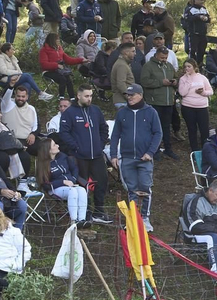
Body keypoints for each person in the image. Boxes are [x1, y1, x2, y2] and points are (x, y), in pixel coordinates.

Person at [110, 84, 163, 228]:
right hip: (127, 157)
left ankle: (145, 218)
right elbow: (115, 135)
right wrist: (114, 155)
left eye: (132, 95)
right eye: (127, 95)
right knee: (131, 189)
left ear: (140, 94)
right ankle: (134, 218)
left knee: (145, 187)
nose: (129, 97)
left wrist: (150, 152)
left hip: (144, 158)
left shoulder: (151, 112)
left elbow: (158, 133)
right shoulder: (122, 113)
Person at [57, 84, 111, 223]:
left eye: (91, 96)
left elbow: (103, 128)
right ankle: (85, 213)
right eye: (86, 96)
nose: (89, 99)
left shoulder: (95, 110)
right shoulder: (70, 112)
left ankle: (99, 211)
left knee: (102, 181)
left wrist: (101, 144)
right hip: (80, 156)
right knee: (82, 184)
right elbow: (64, 132)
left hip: (97, 155)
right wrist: (75, 147)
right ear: (79, 95)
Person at [140, 46, 180, 157]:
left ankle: (168, 149)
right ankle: (155, 150)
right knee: (154, 127)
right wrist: (161, 82)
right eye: (162, 57)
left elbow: (176, 77)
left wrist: (175, 82)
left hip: (168, 102)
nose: (164, 59)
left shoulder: (169, 66)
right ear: (156, 55)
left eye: (166, 57)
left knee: (166, 126)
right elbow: (144, 81)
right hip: (155, 102)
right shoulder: (148, 66)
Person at [177, 58, 215, 149]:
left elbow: (210, 91)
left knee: (204, 129)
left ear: (194, 67)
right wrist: (188, 80)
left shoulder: (202, 78)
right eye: (185, 67)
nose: (187, 68)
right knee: (192, 129)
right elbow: (182, 93)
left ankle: (205, 148)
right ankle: (194, 149)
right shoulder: (183, 79)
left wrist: (202, 93)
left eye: (189, 66)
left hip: (202, 107)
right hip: (188, 107)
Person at [37, 32, 83, 100]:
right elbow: (44, 64)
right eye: (57, 39)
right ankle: (61, 97)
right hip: (48, 71)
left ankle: (72, 97)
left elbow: (68, 60)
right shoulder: (43, 50)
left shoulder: (59, 49)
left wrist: (81, 60)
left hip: (60, 71)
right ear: (52, 40)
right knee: (62, 79)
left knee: (68, 79)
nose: (59, 41)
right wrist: (56, 65)